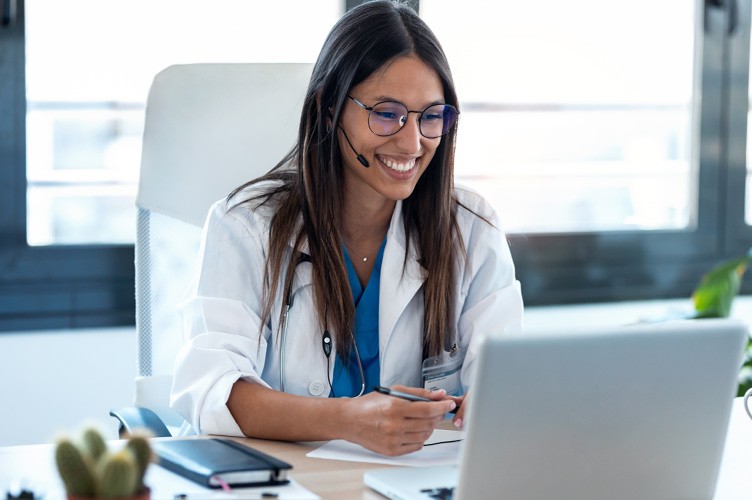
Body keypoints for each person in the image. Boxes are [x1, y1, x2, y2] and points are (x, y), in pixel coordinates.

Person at [170, 0, 523, 457]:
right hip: (282, 480)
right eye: (387, 113)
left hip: (414, 480)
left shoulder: (471, 229)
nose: (412, 143)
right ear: (329, 109)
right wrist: (349, 420)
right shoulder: (247, 227)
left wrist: (498, 403)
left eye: (431, 116)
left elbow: (508, 375)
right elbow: (211, 389)